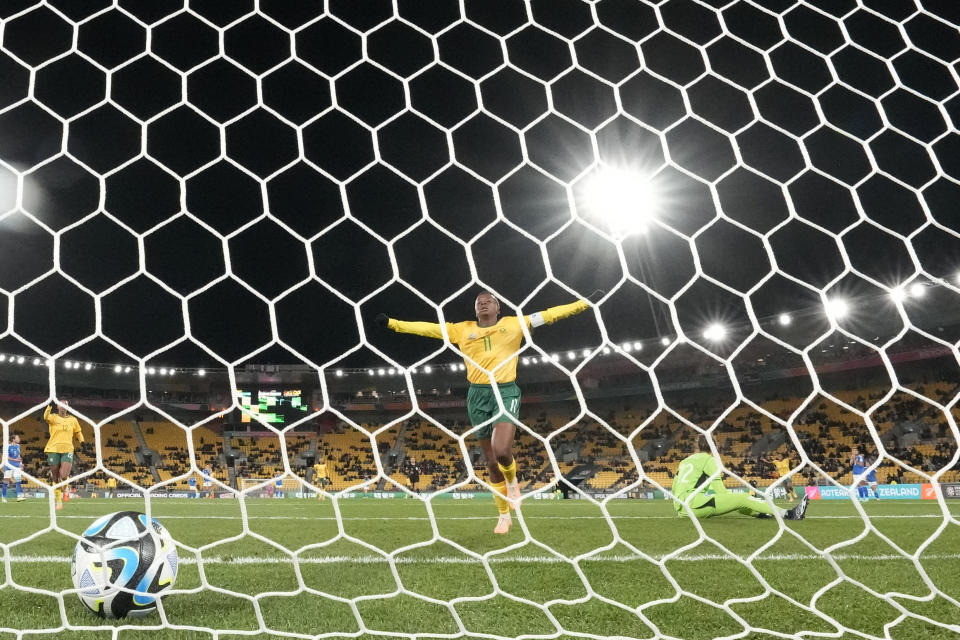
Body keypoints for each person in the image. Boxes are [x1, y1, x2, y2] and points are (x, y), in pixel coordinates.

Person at [376, 289, 603, 534]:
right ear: (475, 309)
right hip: (477, 395)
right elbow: (427, 328)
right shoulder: (460, 330)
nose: (483, 304)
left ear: (498, 307)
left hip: (504, 391)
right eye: (479, 302)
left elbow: (549, 315)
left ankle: (514, 483)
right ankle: (503, 515)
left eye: (489, 301)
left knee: (502, 451)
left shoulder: (515, 324)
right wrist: (393, 324)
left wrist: (584, 303)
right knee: (491, 462)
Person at [673, 442, 808, 521]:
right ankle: (790, 514)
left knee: (738, 502)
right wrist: (741, 499)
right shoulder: (709, 460)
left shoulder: (685, 461)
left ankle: (761, 513)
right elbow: (721, 492)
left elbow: (675, 487)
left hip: (682, 509)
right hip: (694, 505)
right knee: (742, 498)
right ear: (714, 447)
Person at [43, 402, 84, 510]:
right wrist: (49, 406)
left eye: (65, 404)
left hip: (67, 449)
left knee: (64, 475)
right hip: (53, 449)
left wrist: (82, 442)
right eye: (61, 404)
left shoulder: (73, 419)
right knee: (55, 477)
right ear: (58, 406)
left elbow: (78, 431)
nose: (63, 406)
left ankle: (65, 489)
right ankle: (59, 502)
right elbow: (46, 417)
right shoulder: (53, 418)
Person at [2, 434, 24, 503]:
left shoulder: (18, 446)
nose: (19, 439)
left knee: (18, 480)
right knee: (6, 482)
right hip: (9, 466)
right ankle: (3, 497)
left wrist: (20, 463)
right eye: (18, 438)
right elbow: (7, 457)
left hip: (17, 466)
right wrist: (16, 460)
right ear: (13, 439)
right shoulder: (8, 446)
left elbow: (18, 456)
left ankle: (19, 496)